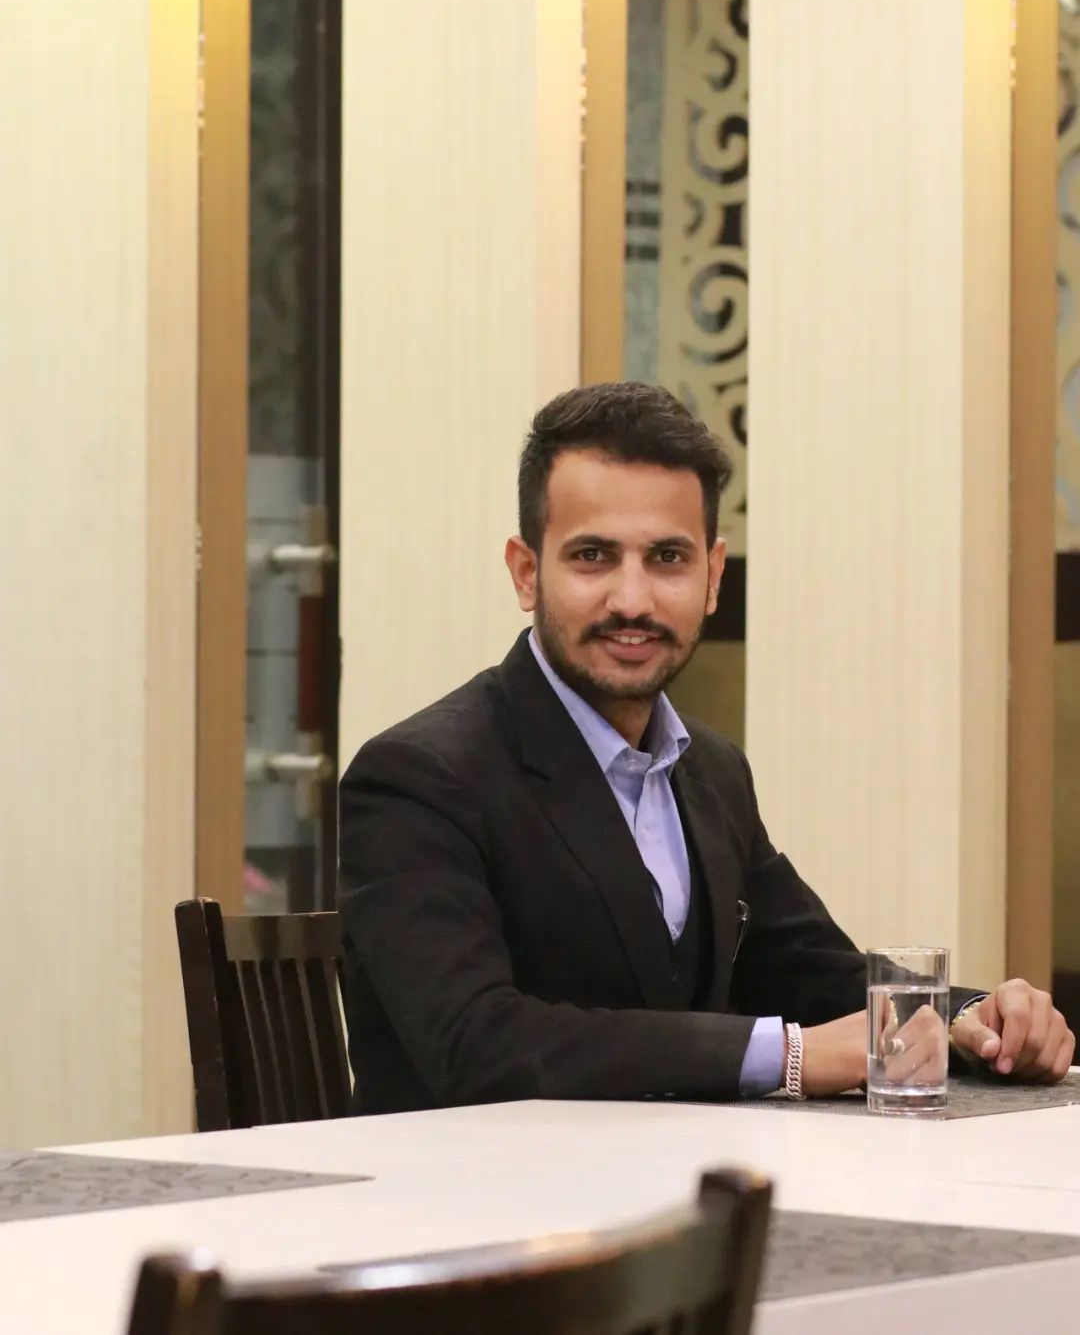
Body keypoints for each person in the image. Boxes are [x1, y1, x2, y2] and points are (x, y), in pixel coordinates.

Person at [339, 383, 1074, 1113]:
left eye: (668, 558)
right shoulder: (417, 778)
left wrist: (968, 1021)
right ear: (527, 572)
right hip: (466, 1185)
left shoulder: (712, 771)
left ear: (713, 576)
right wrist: (789, 1056)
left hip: (678, 1176)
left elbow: (806, 970)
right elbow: (476, 1044)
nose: (633, 599)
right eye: (593, 556)